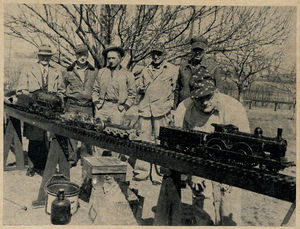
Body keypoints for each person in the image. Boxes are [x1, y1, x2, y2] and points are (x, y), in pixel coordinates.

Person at [174, 73, 250, 225]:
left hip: (229, 163)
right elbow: (183, 146)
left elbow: (245, 148)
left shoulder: (234, 109)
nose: (205, 102)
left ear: (216, 92)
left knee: (229, 206)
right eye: (199, 98)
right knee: (202, 201)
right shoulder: (184, 109)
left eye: (208, 96)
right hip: (200, 163)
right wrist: (194, 171)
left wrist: (231, 174)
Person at [133, 45, 179, 181]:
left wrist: (171, 106)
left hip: (162, 110)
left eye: (159, 54)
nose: (156, 57)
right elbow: (139, 88)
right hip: (146, 109)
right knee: (144, 140)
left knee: (161, 141)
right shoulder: (145, 70)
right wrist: (140, 89)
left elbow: (175, 90)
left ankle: (159, 172)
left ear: (164, 55)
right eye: (153, 54)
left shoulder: (172, 69)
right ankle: (142, 171)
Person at [16, 44, 61, 176]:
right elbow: (21, 89)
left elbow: (62, 91)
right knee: (33, 136)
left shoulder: (56, 71)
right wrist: (31, 97)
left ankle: (46, 166)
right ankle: (32, 166)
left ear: (50, 57)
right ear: (38, 56)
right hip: (33, 108)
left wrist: (57, 100)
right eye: (42, 56)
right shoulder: (28, 69)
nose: (45, 58)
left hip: (50, 109)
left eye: (47, 56)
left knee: (48, 137)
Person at [92, 45, 136, 155]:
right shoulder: (102, 72)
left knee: (116, 136)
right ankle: (97, 162)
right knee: (97, 135)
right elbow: (95, 89)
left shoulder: (128, 74)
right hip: (102, 107)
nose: (111, 61)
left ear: (120, 58)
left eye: (113, 58)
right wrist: (97, 103)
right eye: (109, 58)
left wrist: (124, 107)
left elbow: (132, 94)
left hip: (117, 108)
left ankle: (115, 164)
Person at [57, 44, 98, 165]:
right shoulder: (67, 71)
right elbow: (61, 89)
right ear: (76, 56)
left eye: (84, 54)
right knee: (72, 133)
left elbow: (97, 88)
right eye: (80, 54)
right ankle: (72, 158)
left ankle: (86, 158)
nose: (82, 57)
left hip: (87, 106)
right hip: (72, 106)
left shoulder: (94, 71)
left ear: (88, 55)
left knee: (88, 132)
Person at [174, 36, 212, 108]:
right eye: (195, 50)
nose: (197, 52)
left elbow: (218, 92)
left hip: (202, 108)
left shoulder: (211, 68)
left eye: (200, 50)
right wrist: (175, 107)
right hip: (184, 106)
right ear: (191, 51)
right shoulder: (183, 67)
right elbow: (177, 89)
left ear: (205, 51)